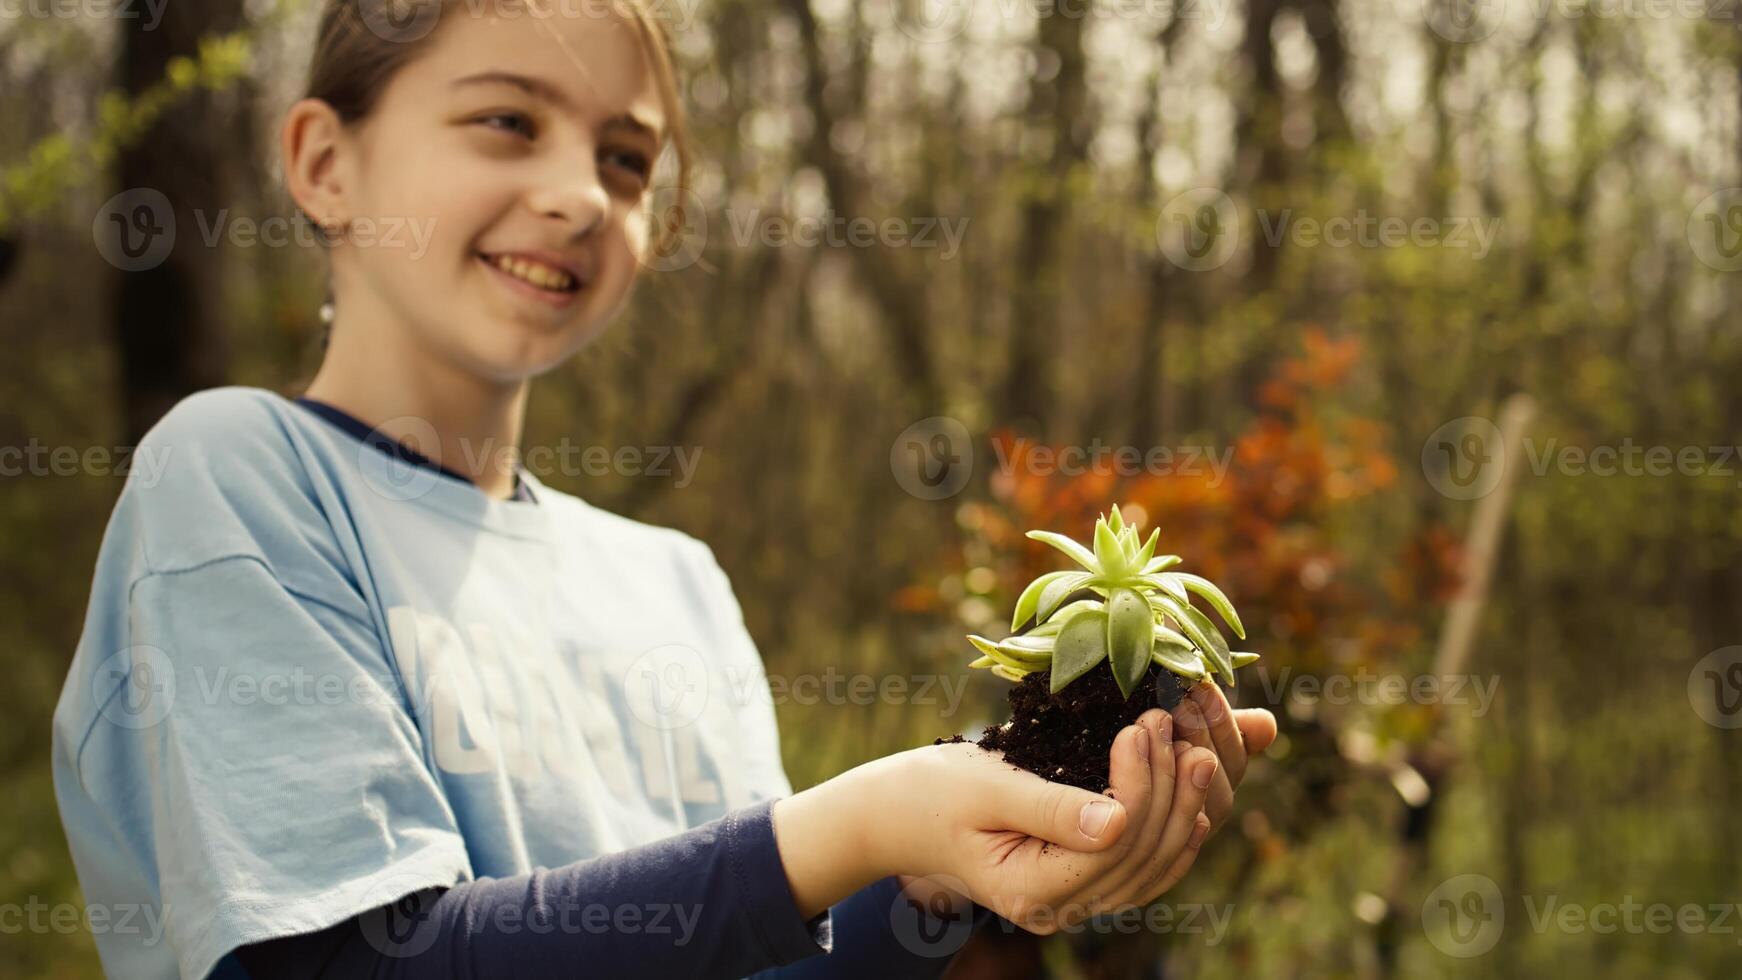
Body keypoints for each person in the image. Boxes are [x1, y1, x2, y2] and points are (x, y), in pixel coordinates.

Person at [50, 1, 1279, 976]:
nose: (582, 194)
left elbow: (749, 948)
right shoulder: (241, 476)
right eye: (506, 122)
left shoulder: (673, 581)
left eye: (627, 161)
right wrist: (855, 824)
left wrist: (933, 877)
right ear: (324, 161)